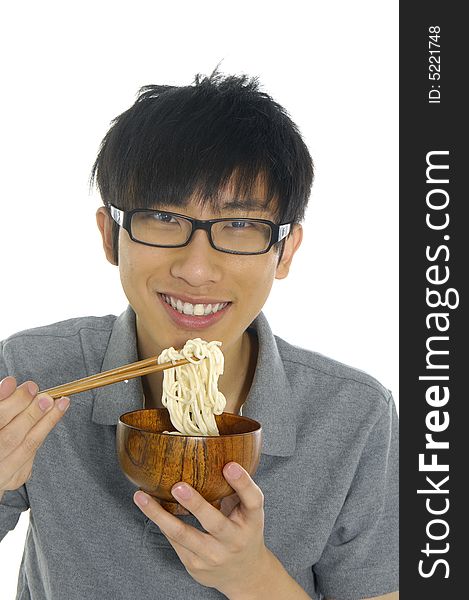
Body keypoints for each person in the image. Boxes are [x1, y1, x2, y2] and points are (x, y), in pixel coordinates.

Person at [0, 71, 399, 599]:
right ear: (109, 235)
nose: (196, 269)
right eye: (164, 217)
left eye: (238, 227)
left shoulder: (354, 414)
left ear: (286, 251)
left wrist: (251, 577)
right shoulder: (35, 374)